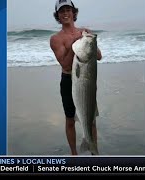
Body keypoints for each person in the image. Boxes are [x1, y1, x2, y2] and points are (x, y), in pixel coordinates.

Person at [50, 0, 102, 155]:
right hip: (68, 82)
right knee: (70, 120)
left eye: (68, 10)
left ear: (74, 13)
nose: (65, 13)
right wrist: (74, 45)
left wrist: (91, 41)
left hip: (88, 80)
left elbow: (98, 56)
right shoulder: (56, 39)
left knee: (90, 119)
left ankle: (94, 150)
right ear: (58, 16)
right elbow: (66, 65)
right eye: (62, 11)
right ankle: (74, 154)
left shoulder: (84, 33)